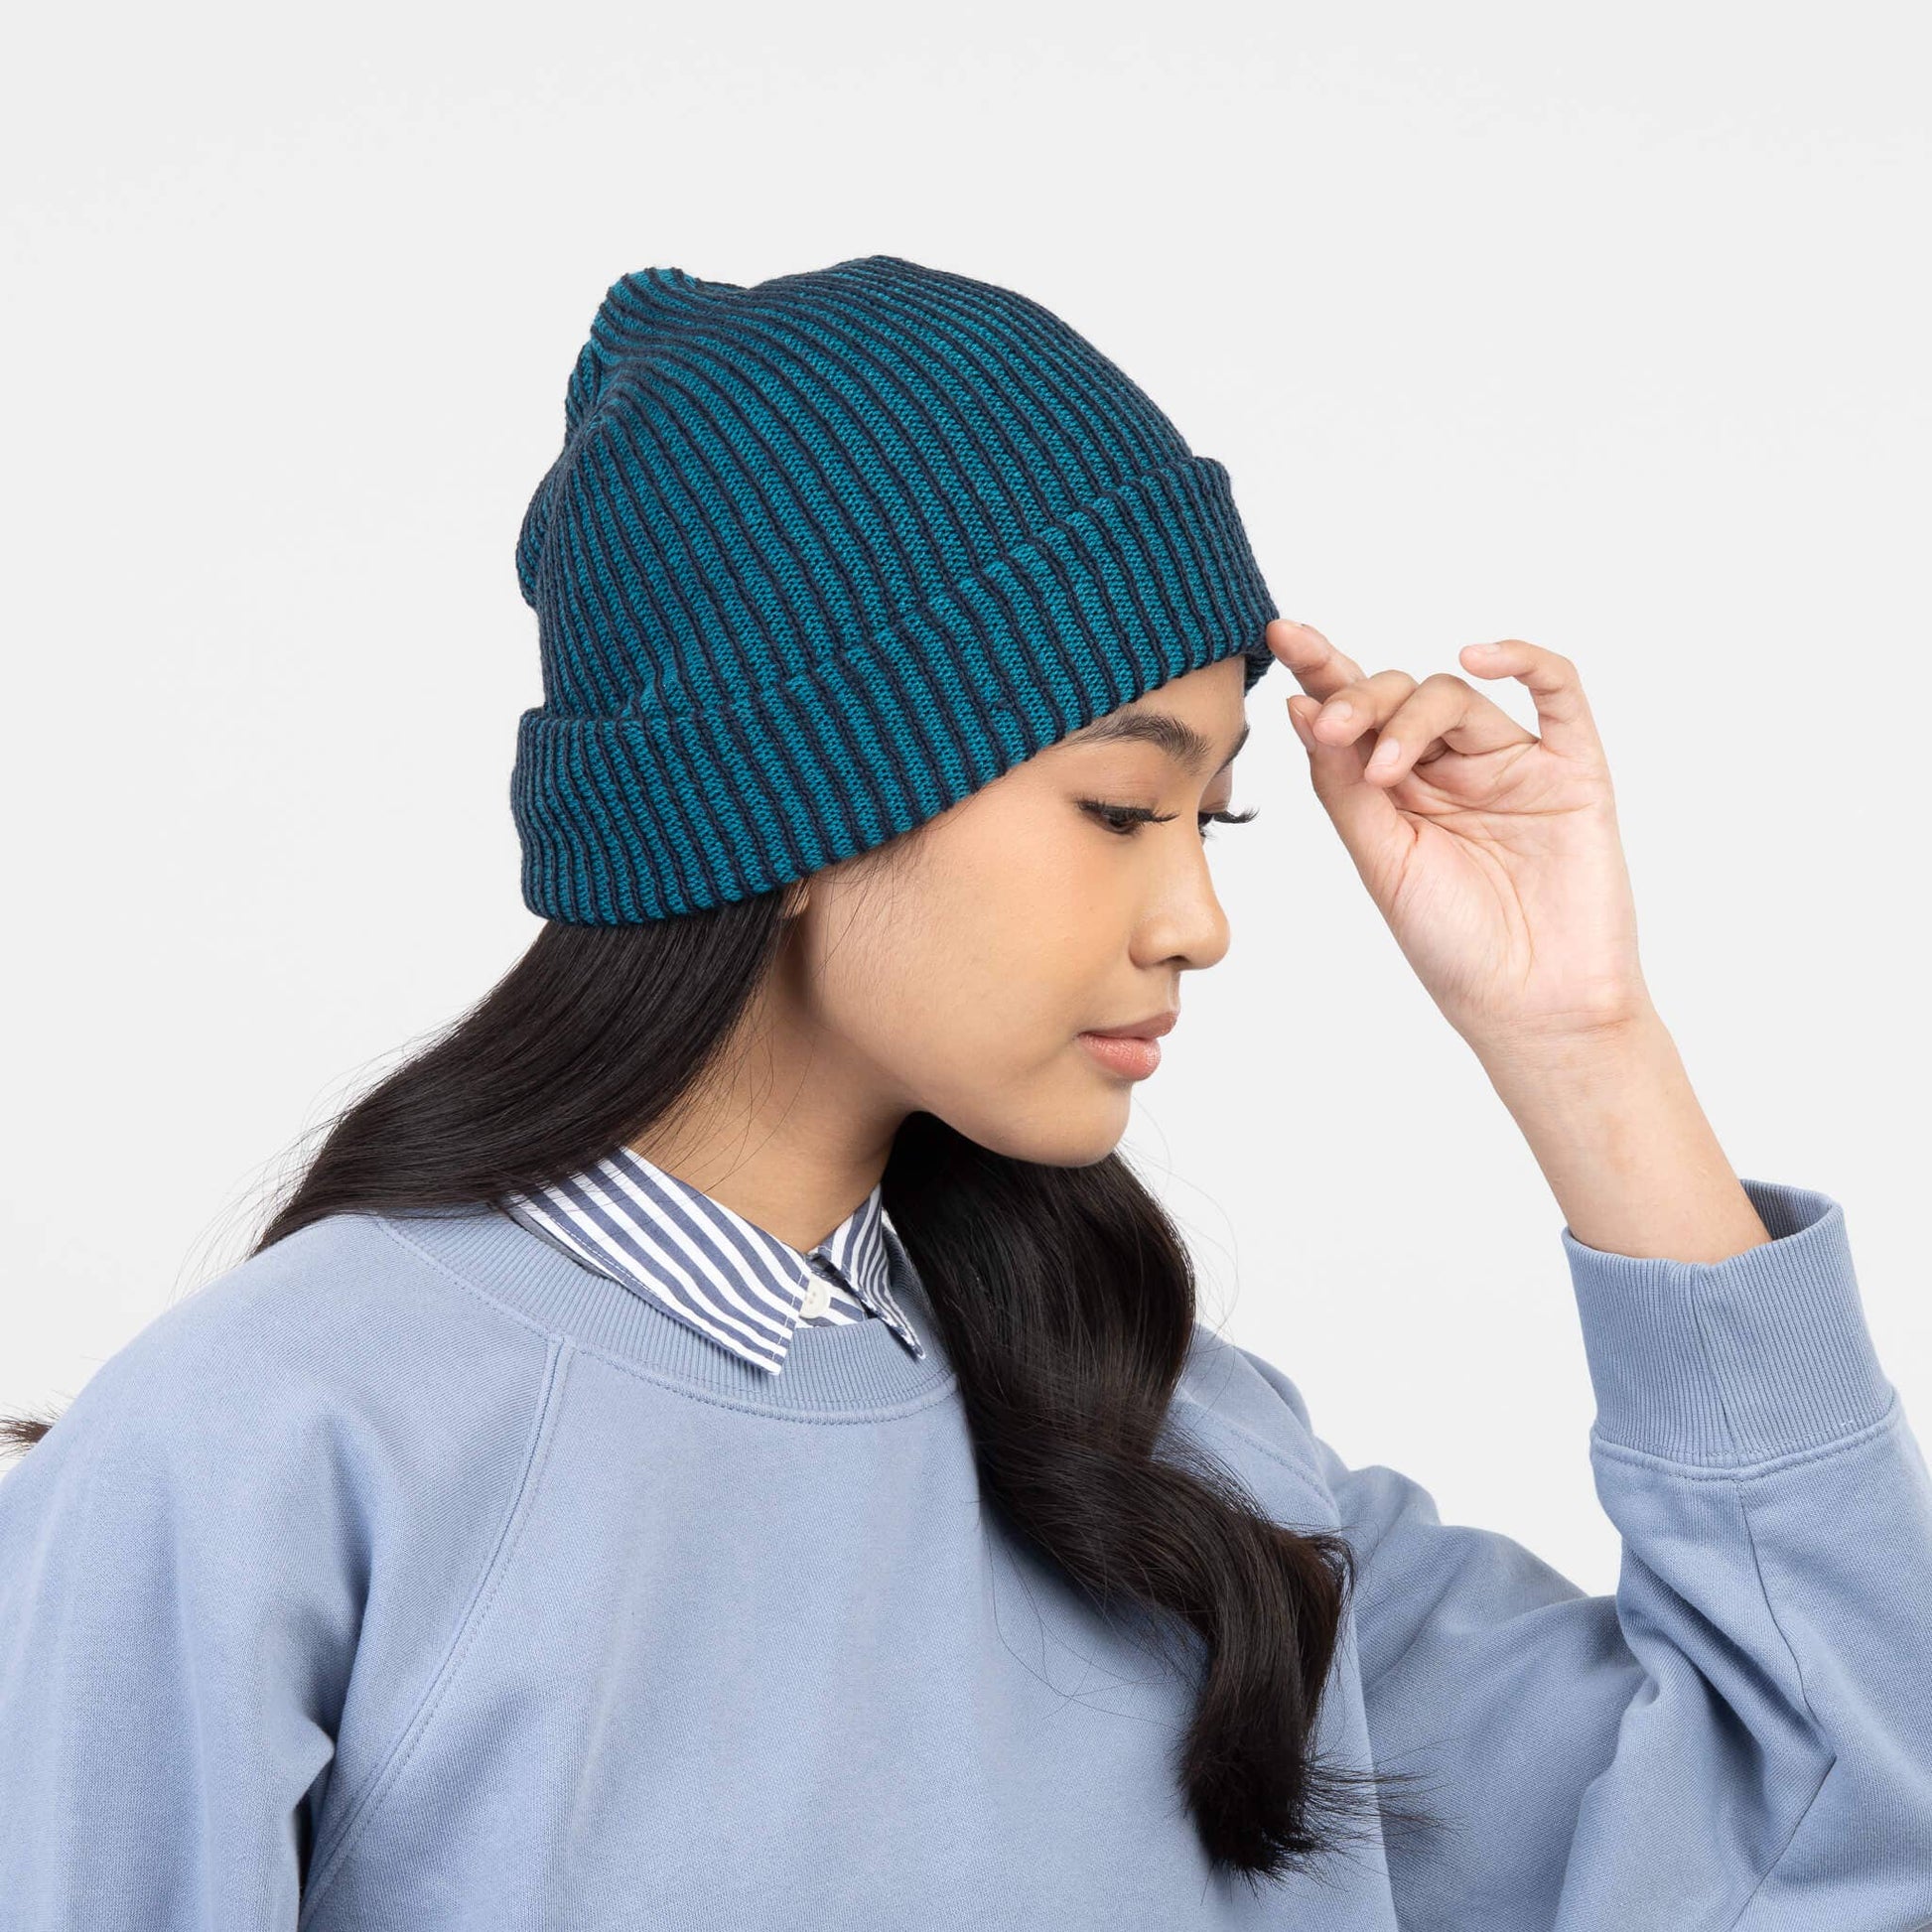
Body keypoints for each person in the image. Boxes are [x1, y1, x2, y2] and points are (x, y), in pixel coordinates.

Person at [0, 253, 1925, 1930]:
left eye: (1215, 816)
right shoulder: (280, 1439)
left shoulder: (1191, 1465)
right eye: (1120, 804)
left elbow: (1831, 1826)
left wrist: (1580, 1036)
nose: (1196, 919)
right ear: (791, 803)